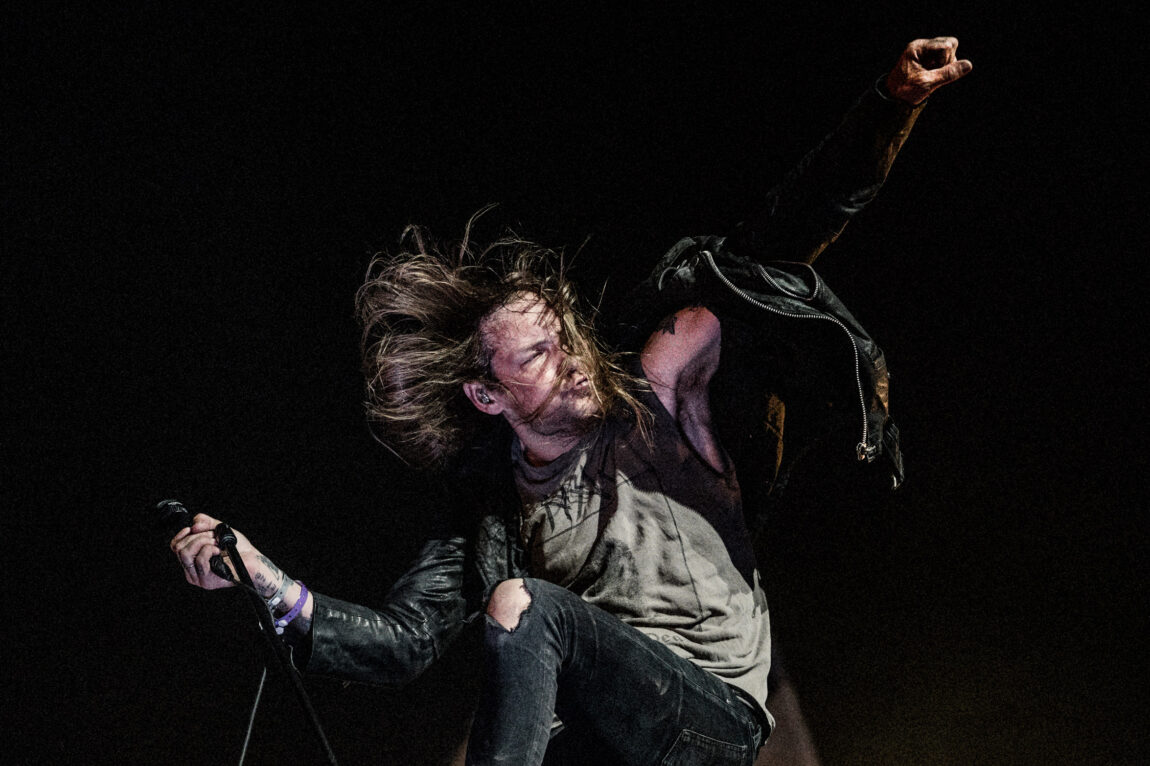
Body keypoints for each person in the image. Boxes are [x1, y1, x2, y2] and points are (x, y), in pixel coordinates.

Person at [171, 38, 971, 766]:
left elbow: (777, 243)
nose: (574, 360)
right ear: (487, 394)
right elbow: (400, 642)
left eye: (565, 336)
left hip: (711, 720)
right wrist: (258, 573)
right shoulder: (492, 514)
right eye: (539, 357)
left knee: (525, 608)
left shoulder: (656, 388)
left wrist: (888, 107)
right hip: (602, 736)